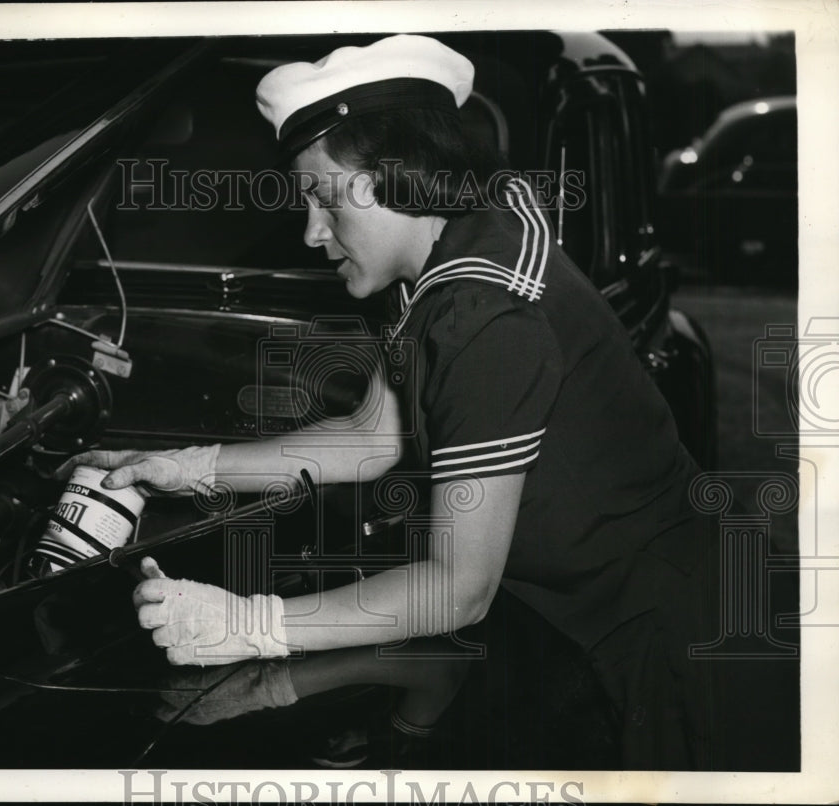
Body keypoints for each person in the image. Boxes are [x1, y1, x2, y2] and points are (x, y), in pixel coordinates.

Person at [59, 34, 720, 769]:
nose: (311, 232)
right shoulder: (444, 246)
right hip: (578, 617)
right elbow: (371, 437)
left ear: (390, 178)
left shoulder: (485, 314)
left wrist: (249, 622)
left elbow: (458, 590)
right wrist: (187, 466)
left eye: (322, 199)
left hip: (655, 637)